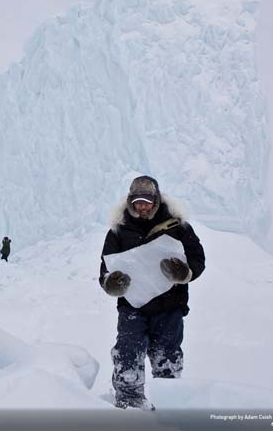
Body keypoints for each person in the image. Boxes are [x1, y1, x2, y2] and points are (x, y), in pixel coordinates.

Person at [99, 175, 205, 410]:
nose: (142, 206)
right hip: (132, 308)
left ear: (156, 200)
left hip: (169, 306)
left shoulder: (178, 227)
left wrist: (185, 273)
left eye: (147, 201)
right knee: (127, 354)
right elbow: (105, 270)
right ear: (130, 201)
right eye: (138, 202)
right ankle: (129, 405)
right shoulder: (118, 231)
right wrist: (112, 283)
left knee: (167, 358)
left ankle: (167, 407)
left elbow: (198, 258)